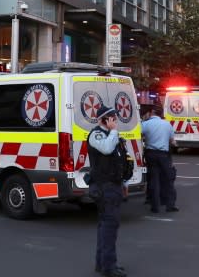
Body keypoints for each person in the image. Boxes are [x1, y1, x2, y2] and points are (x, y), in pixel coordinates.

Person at [87, 105, 127, 277]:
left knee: (107, 226)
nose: (115, 121)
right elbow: (106, 149)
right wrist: (113, 131)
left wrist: (123, 182)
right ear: (104, 120)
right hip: (105, 187)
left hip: (113, 185)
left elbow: (117, 162)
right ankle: (108, 267)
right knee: (109, 226)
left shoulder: (111, 136)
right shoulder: (97, 135)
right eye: (112, 119)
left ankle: (102, 262)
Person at [141, 104, 177, 213]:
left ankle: (155, 206)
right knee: (168, 180)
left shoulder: (145, 124)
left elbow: (139, 136)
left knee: (153, 180)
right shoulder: (167, 125)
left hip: (150, 154)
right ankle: (170, 205)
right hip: (164, 155)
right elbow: (172, 141)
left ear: (151, 112)